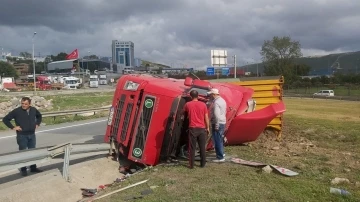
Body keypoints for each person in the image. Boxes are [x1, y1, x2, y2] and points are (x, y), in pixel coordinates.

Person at [2, 97, 43, 176]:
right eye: (22, 103)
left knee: (32, 152)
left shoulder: (33, 110)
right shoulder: (17, 111)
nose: (23, 105)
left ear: (29, 104)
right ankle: (23, 169)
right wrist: (13, 127)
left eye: (26, 104)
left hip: (32, 134)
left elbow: (39, 116)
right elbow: (5, 119)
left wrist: (37, 123)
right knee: (23, 153)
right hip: (22, 135)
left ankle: (33, 168)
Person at [183, 90, 210, 169]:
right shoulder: (203, 105)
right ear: (198, 96)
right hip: (202, 128)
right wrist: (207, 127)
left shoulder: (188, 104)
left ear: (191, 96)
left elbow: (183, 112)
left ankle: (191, 165)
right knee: (202, 147)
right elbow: (206, 117)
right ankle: (203, 164)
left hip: (193, 128)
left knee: (192, 147)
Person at [208, 88, 227, 163]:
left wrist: (216, 124)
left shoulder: (216, 103)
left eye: (211, 94)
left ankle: (220, 157)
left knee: (217, 139)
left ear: (214, 94)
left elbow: (216, 114)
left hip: (217, 122)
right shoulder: (222, 100)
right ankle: (222, 153)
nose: (210, 96)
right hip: (222, 121)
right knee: (220, 138)